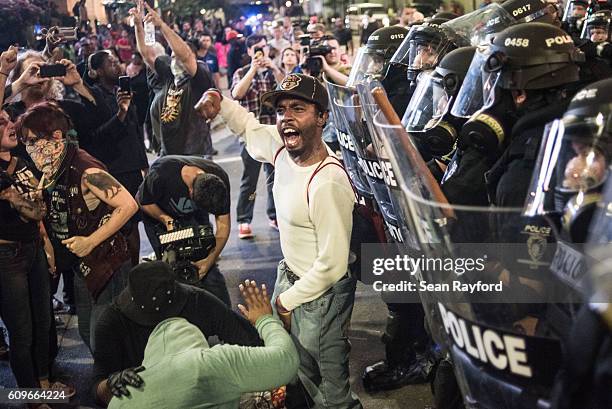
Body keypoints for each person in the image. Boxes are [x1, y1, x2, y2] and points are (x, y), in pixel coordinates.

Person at [196, 73, 362, 408]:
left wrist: (286, 302)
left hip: (321, 296)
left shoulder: (327, 182)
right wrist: (218, 98)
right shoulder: (283, 151)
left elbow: (332, 265)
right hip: (292, 279)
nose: (286, 118)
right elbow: (249, 128)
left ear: (322, 118)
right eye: (281, 110)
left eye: (298, 109)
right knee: (296, 369)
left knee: (330, 391)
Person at [16, 101, 138, 352]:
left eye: (32, 141)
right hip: (82, 264)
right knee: (86, 330)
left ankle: (118, 383)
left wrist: (90, 241)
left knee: (103, 333)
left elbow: (128, 205)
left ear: (56, 137)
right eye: (26, 143)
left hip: (108, 260)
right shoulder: (53, 168)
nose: (29, 149)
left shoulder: (85, 169)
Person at [0, 46, 73, 406]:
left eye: (6, 118)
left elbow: (38, 211)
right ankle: (30, 395)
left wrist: (45, 244)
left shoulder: (20, 157)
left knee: (44, 321)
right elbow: (31, 207)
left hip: (31, 248)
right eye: (0, 122)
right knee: (22, 332)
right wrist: (5, 78)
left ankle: (43, 383)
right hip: (6, 256)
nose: (10, 123)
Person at [106, 278, 298, 409]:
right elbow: (286, 361)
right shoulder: (218, 361)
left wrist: (108, 386)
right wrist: (265, 320)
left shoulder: (122, 397)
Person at [92, 261, 265, 406]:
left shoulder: (197, 301)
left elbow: (251, 341)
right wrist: (110, 385)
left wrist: (264, 324)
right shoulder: (112, 321)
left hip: (197, 390)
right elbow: (96, 387)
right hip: (147, 399)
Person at [137, 155, 232, 305]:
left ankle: (224, 316)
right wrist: (166, 219)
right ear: (190, 192)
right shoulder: (161, 174)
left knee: (207, 267)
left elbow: (224, 225)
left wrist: (209, 260)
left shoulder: (218, 179)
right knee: (171, 268)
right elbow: (143, 202)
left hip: (194, 217)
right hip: (159, 215)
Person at [86, 50, 148, 265]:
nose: (117, 65)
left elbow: (136, 131)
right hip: (113, 168)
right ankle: (124, 272)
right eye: (110, 63)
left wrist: (145, 164)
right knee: (121, 222)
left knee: (136, 222)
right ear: (98, 71)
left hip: (132, 167)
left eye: (116, 61)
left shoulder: (125, 91)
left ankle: (135, 267)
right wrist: (120, 112)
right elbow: (100, 136)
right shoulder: (95, 97)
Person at [130, 0, 214, 156]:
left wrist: (161, 25)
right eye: (173, 56)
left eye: (179, 57)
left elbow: (186, 55)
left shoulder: (199, 76)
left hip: (194, 155)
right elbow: (147, 55)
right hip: (169, 154)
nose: (175, 60)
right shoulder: (170, 75)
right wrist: (138, 25)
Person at [231, 34, 280, 238]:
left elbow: (287, 87)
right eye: (257, 49)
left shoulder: (272, 72)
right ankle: (244, 220)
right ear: (250, 51)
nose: (262, 52)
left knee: (275, 178)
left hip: (273, 133)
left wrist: (275, 68)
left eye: (264, 47)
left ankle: (275, 215)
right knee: (249, 180)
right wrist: (253, 68)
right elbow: (237, 94)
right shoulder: (242, 72)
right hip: (251, 134)